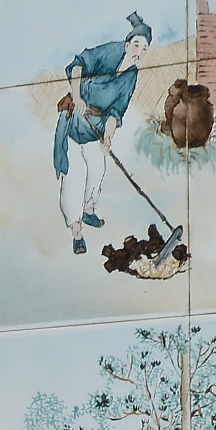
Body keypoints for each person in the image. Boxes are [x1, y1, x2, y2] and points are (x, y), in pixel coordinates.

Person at [54, 13, 149, 256]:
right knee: (74, 176)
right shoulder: (110, 52)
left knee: (97, 170)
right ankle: (76, 230)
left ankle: (88, 210)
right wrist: (76, 96)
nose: (139, 51)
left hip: (97, 127)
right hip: (76, 120)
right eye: (136, 44)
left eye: (145, 48)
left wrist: (108, 137)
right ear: (128, 43)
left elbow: (118, 109)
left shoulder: (132, 74)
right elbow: (78, 64)